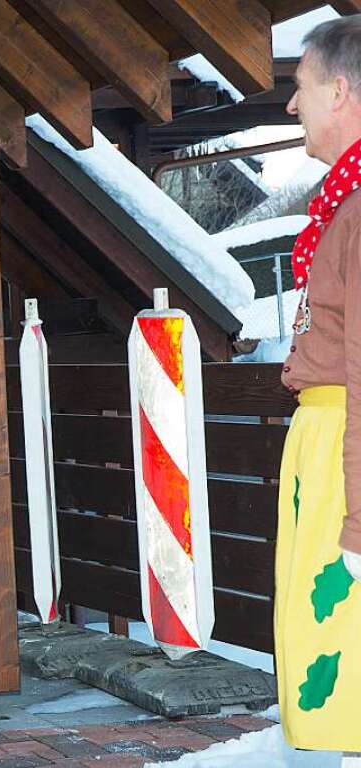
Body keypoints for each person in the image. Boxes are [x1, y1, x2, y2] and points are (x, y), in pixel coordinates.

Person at [276, 15, 361, 757]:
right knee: (325, 635)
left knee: (343, 639)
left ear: (339, 91)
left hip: (345, 456)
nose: (290, 106)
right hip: (325, 448)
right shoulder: (343, 204)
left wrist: (359, 521)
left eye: (299, 88)